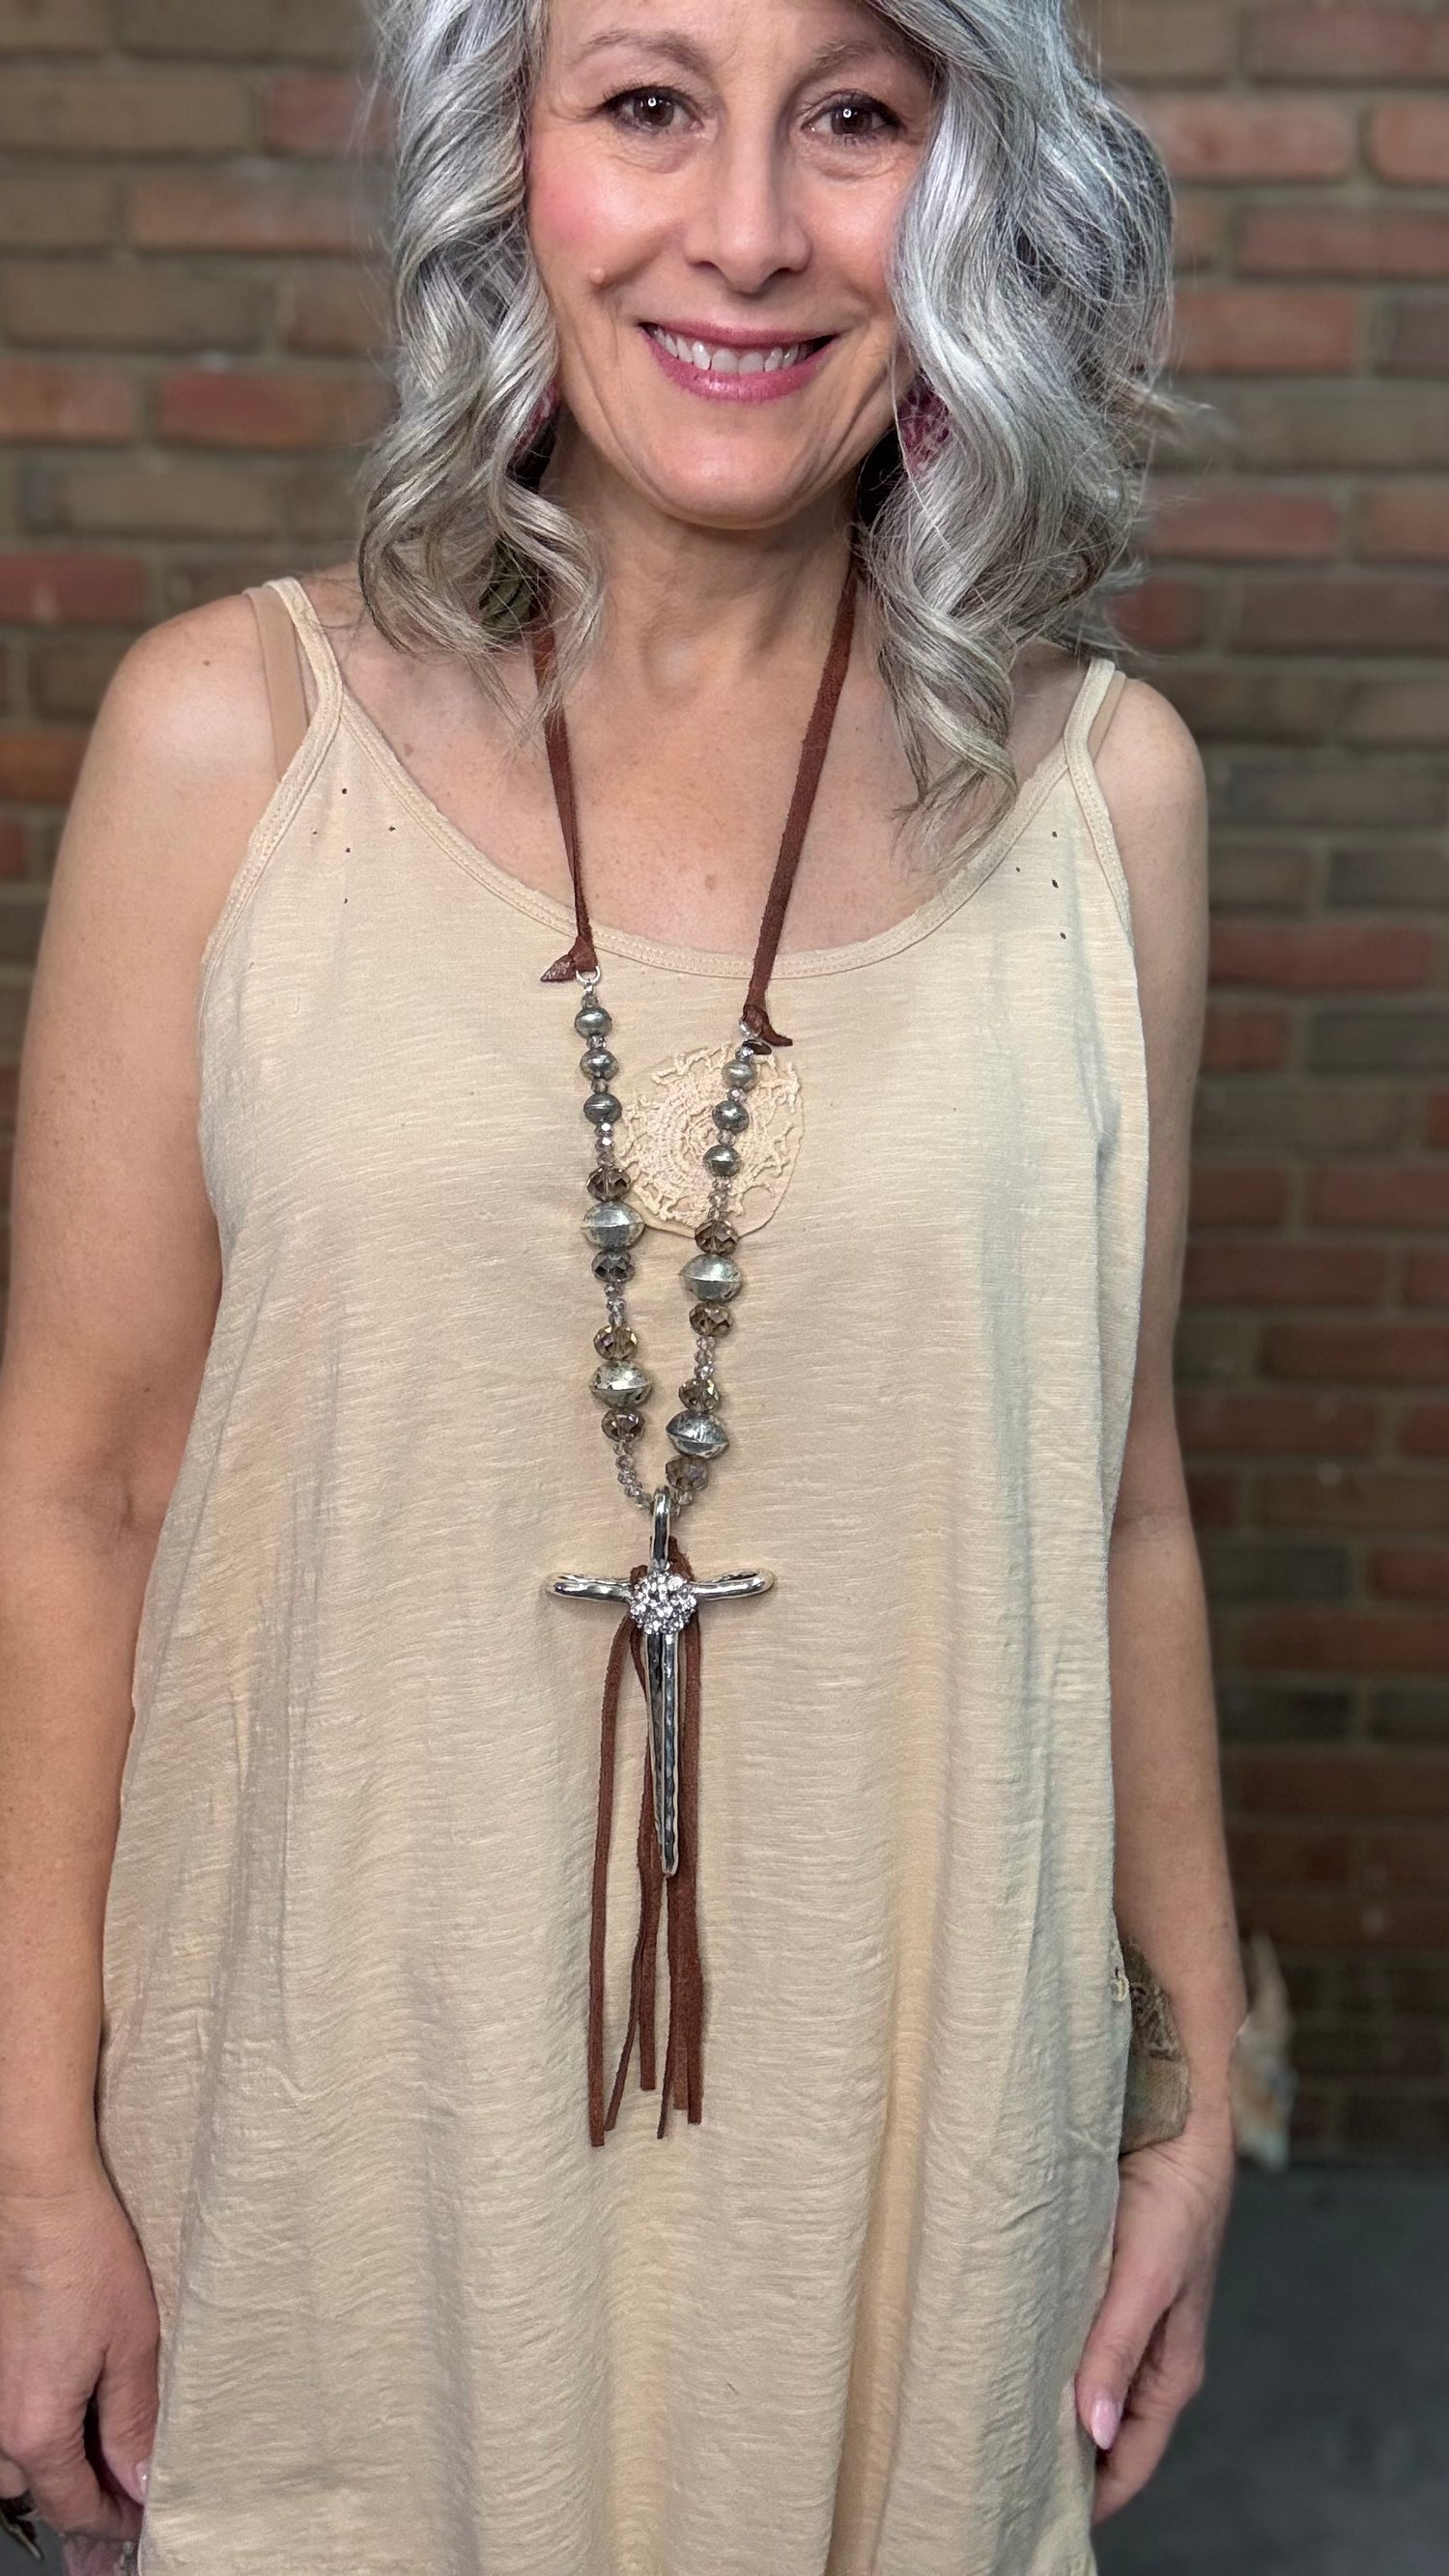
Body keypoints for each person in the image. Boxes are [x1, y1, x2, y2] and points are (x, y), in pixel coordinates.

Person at [0, 0, 1247, 2567]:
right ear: (510, 170)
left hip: (896, 2165)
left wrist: (1188, 2084)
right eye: (648, 101)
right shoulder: (229, 743)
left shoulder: (1102, 799)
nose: (754, 230)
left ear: (973, 185)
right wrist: (31, 2159)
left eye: (860, 116)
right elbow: (81, 1495)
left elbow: (1114, 1506)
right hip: (335, 2159)